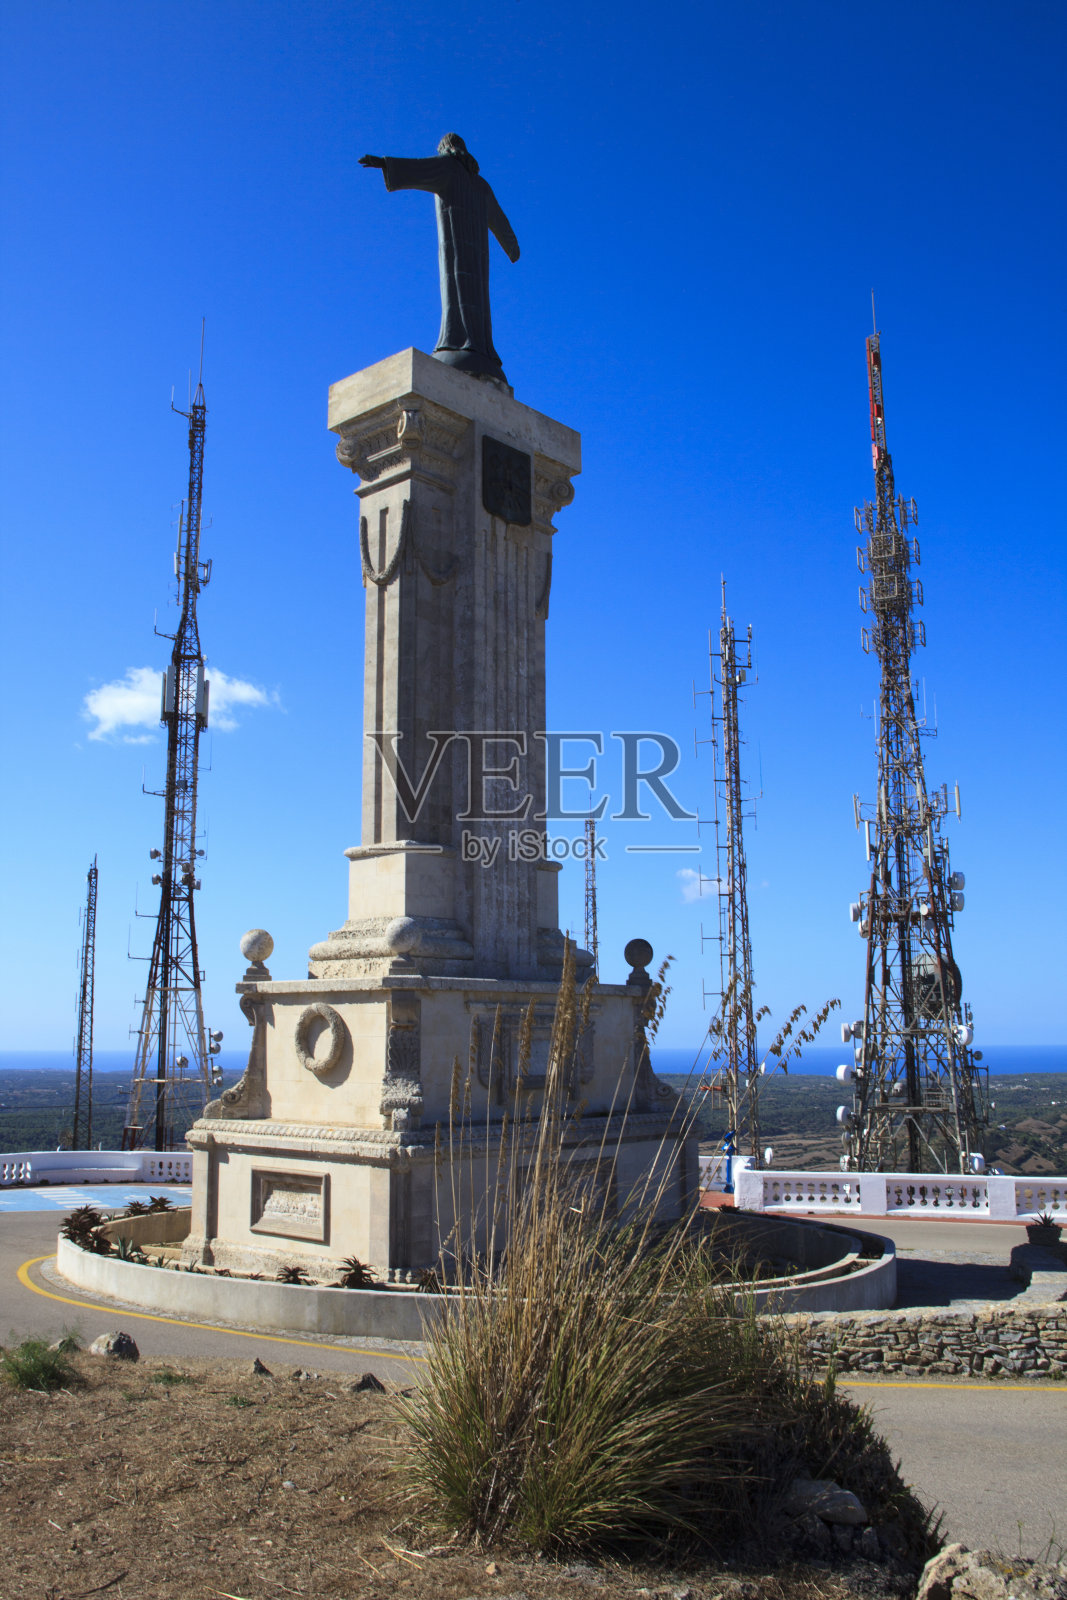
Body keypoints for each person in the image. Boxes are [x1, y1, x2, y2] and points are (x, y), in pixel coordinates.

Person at [360, 134, 519, 383]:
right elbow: (501, 222)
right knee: (477, 295)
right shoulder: (481, 186)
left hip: (456, 247)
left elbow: (419, 168)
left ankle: (457, 343)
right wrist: (512, 247)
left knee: (457, 290)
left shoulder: (448, 168)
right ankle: (481, 349)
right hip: (478, 257)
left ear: (446, 148)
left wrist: (385, 163)